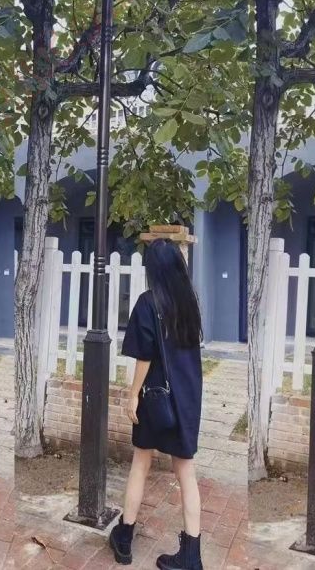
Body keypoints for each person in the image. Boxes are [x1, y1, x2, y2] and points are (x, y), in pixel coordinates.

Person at [109, 239, 204, 570]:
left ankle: (124, 538)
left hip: (156, 397)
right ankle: (192, 555)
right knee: (186, 471)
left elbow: (145, 356)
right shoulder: (189, 302)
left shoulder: (148, 303)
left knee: (141, 461)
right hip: (188, 395)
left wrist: (132, 394)